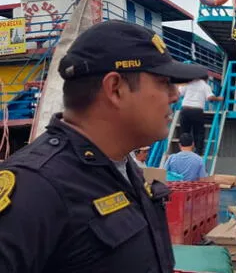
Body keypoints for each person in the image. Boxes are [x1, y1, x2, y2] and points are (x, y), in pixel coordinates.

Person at [0, 20, 209, 272]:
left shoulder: (123, 169)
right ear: (115, 88)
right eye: (164, 82)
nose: (175, 95)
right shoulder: (35, 188)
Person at [178, 76, 223, 155]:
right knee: (199, 132)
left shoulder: (188, 83)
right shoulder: (205, 86)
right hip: (197, 111)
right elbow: (210, 98)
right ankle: (198, 152)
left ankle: (183, 151)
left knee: (184, 132)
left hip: (185, 109)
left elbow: (179, 93)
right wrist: (219, 98)